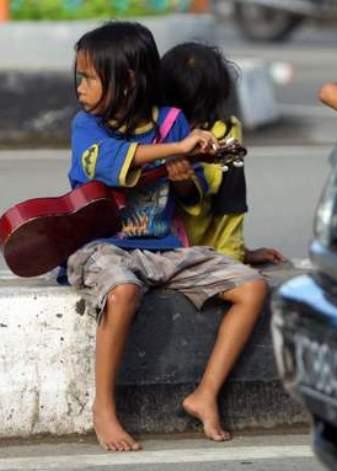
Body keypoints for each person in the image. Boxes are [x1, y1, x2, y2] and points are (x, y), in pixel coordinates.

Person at [67, 21, 269, 452]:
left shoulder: (173, 122)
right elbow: (105, 164)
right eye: (78, 76)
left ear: (127, 81)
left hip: (164, 247)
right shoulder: (87, 126)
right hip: (105, 246)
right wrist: (176, 150)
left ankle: (205, 394)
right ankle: (104, 408)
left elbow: (194, 196)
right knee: (122, 291)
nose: (79, 87)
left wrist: (182, 180)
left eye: (88, 77)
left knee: (252, 288)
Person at [159, 42, 286, 266]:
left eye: (194, 116)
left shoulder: (224, 134)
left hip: (202, 253)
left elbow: (231, 205)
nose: (187, 127)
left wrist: (234, 257)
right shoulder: (147, 129)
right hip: (149, 250)